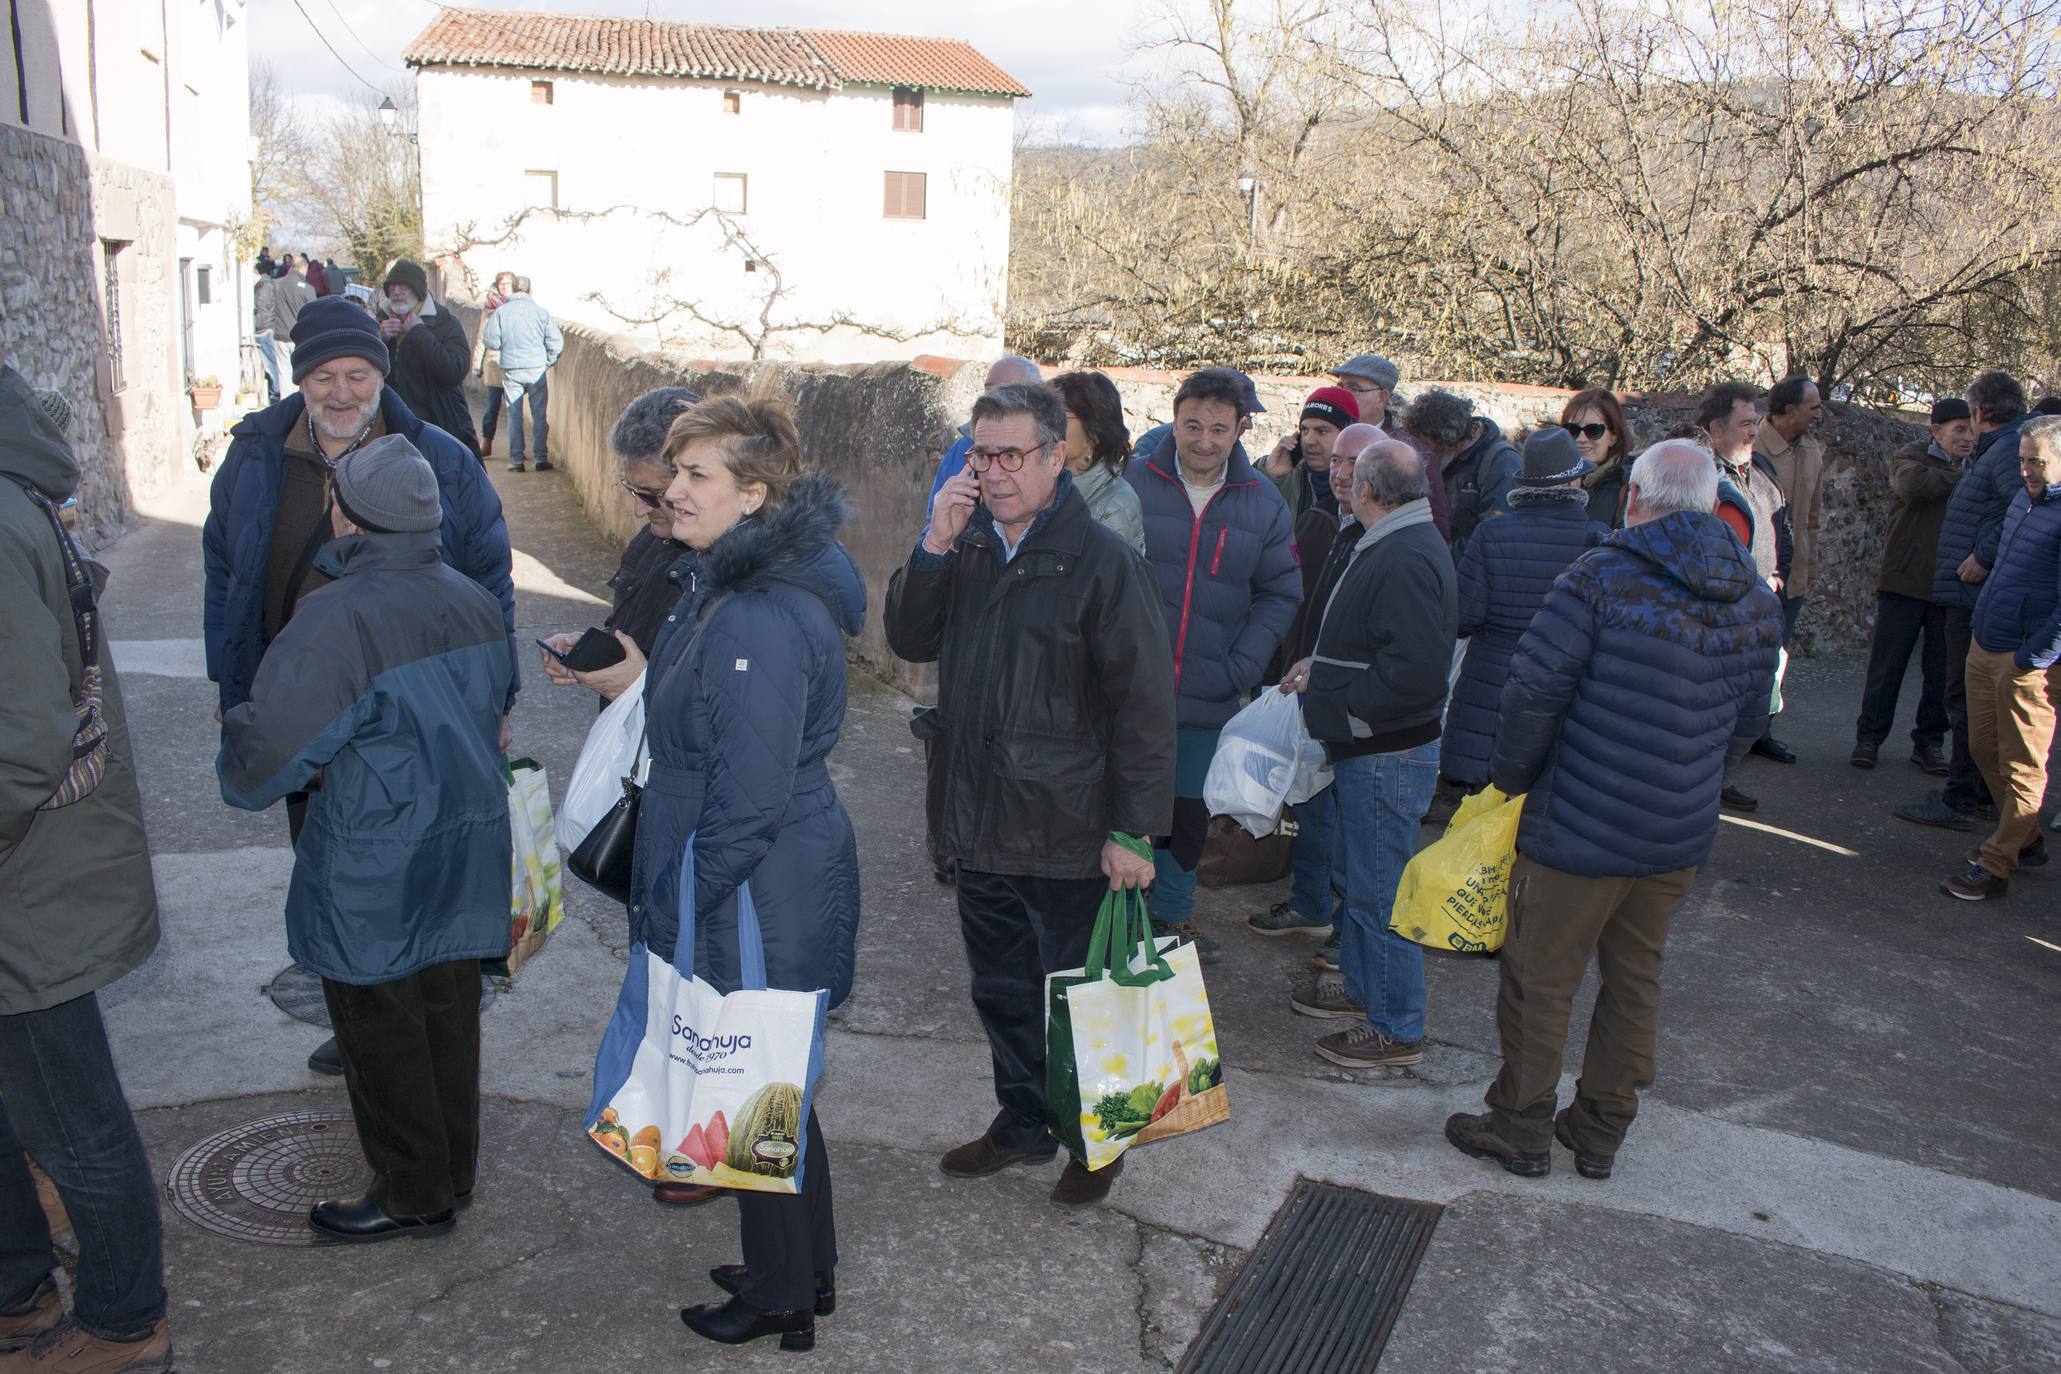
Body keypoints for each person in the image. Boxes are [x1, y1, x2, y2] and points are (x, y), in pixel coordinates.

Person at [1444, 441, 1783, 1179]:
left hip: (1578, 824)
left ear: (1632, 496)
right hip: (1676, 831)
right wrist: (1696, 780)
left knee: (1540, 977)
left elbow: (1531, 692)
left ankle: (1519, 1123)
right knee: (1635, 979)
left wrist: (1510, 781)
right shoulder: (1755, 596)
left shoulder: (1600, 577)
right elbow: (1751, 719)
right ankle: (1599, 1129)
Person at [204, 297, 517, 1076]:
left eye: (356, 374)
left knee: (412, 866)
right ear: (298, 377)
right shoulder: (254, 455)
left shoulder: (437, 456)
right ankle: (362, 1021)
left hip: (410, 703)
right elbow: (225, 574)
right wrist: (232, 684)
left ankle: (415, 1030)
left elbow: (488, 576)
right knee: (328, 864)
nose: (340, 393)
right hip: (300, 703)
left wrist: (497, 700)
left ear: (380, 372)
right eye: (321, 376)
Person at [884, 382, 1174, 1209]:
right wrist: (934, 545)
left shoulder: (1101, 563)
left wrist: (1132, 830)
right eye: (983, 454)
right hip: (977, 818)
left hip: (1069, 829)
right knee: (1000, 990)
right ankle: (1021, 1123)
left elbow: (1145, 706)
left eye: (1012, 454)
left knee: (1079, 1001)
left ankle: (1096, 1138)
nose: (996, 471)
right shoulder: (967, 543)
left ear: (1057, 457)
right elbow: (907, 636)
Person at [217, 437, 512, 1244]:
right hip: (466, 839)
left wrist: (235, 734)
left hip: (375, 850)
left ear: (347, 512)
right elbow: (499, 700)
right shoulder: (472, 598)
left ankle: (410, 1192)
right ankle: (448, 1173)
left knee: (378, 1021)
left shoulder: (337, 617)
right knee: (448, 1011)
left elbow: (268, 755)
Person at [622, 395, 863, 1350]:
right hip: (759, 875)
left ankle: (778, 1297)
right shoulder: (727, 581)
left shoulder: (756, 613)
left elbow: (749, 800)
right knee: (777, 1085)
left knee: (756, 1091)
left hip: (755, 885)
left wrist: (682, 895)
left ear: (753, 495)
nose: (672, 489)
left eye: (696, 476)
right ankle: (804, 1267)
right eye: (674, 471)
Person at [0, 372, 174, 1371]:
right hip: (35, 871)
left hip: (32, 882)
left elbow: (22, 741)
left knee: (72, 1118)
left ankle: (122, 1322)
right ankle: (20, 1289)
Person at [1278, 441, 1456, 1068]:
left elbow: (1415, 674)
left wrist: (1345, 708)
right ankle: (1362, 992)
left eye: (1353, 477)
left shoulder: (1403, 553)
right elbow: (1370, 643)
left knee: (1380, 893)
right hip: (1370, 746)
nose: (1342, 481)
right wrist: (1318, 668)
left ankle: (1395, 1027)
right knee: (1362, 881)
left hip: (1384, 750)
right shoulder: (1386, 539)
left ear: (1371, 491)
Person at [1127, 366, 1301, 962]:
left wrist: (1242, 666)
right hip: (1130, 690)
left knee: (1186, 815)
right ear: (1174, 421)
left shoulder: (1263, 503)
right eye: (1191, 425)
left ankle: (1172, 921)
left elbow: (1281, 592)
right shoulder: (1135, 483)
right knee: (1123, 810)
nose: (1203, 440)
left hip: (1210, 694)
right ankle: (1119, 920)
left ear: (1240, 430)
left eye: (1218, 429)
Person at [1245, 424, 1370, 945]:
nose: (1341, 473)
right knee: (1312, 800)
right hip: (1310, 685)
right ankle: (1314, 903)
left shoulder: (1389, 534)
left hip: (1357, 702)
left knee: (1351, 817)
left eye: (1355, 464)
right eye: (1337, 462)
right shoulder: (1333, 521)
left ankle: (1347, 927)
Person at [1896, 372, 2030, 832]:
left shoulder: (2008, 451)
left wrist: (1983, 556)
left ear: (1978, 413)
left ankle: (1965, 798)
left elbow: (2026, 508)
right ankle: (1976, 795)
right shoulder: (1996, 450)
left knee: (1969, 699)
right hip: (1967, 592)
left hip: (1975, 594)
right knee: (1969, 699)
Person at [1440, 428, 1607, 797]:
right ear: (1576, 480)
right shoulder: (1597, 539)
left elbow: (1463, 616)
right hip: (1564, 684)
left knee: (1484, 815)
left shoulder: (1492, 533)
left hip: (1492, 686)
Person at [1940, 414, 2061, 899]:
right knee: (1981, 748)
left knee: (2022, 767)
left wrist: (2032, 659)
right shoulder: (2026, 499)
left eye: (2037, 462)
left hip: (2024, 660)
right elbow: (2007, 539)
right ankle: (2024, 841)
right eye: (2022, 460)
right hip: (1987, 640)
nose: (2027, 470)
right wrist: (1983, 556)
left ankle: (1997, 864)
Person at [540, 387, 703, 698]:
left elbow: (730, 718)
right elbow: (640, 640)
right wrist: (595, 650)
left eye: (652, 495)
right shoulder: (653, 540)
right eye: (632, 491)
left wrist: (641, 689)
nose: (639, 509)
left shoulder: (748, 580)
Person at [1852, 399, 1973, 771]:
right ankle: (1869, 739)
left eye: (1971, 429)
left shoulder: (1977, 465)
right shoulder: (1912, 455)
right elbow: (1913, 485)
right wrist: (1964, 479)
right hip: (1904, 580)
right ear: (1936, 431)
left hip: (1949, 586)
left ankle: (1929, 743)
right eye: (1959, 430)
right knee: (1887, 668)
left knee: (1941, 674)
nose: (1968, 438)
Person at [1695, 381, 1790, 810]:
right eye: (1745, 423)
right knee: (1710, 711)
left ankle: (1720, 781)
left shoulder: (1761, 474)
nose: (1753, 432)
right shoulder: (1698, 474)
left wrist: (1778, 572)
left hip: (1759, 609)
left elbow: (1778, 527)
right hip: (1717, 613)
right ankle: (1701, 785)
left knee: (1752, 709)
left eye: (1756, 422)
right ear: (1716, 429)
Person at [1753, 375, 1826, 751]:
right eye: (1813, 406)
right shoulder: (1752, 446)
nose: (1819, 413)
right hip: (1759, 573)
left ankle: (1761, 732)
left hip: (1792, 576)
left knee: (1777, 658)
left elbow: (1811, 519)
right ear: (1789, 410)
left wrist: (1806, 570)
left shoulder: (1812, 450)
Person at [1328, 353, 1451, 538]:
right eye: (1340, 387)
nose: (1343, 395)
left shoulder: (1410, 454)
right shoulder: (1328, 437)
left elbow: (1435, 525)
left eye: (1354, 389)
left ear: (1382, 398)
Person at [1401, 388, 1521, 564]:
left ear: (1450, 443)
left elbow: (1497, 533)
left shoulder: (1501, 462)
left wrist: (1438, 556)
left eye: (1426, 446)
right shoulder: (1444, 457)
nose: (1420, 452)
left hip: (1471, 576)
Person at [379, 260, 481, 459]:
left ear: (418, 290)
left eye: (404, 286)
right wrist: (379, 339)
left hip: (441, 426)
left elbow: (455, 371)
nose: (397, 292)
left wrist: (419, 333)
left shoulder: (444, 321)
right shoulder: (380, 322)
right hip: (394, 429)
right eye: (392, 286)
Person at [1051, 369, 1145, 555]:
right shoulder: (1048, 481)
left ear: (1094, 434)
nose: (1046, 425)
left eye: (1059, 417)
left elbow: (1104, 580)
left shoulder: (1116, 506)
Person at [927, 356, 1047, 500]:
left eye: (1010, 393)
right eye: (990, 390)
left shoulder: (1047, 448)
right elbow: (934, 514)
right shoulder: (960, 450)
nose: (995, 399)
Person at [482, 275, 563, 472]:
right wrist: (546, 363)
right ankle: (540, 458)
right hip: (536, 368)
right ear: (530, 291)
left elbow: (491, 341)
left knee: (514, 414)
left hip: (512, 370)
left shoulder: (501, 313)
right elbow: (557, 343)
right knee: (539, 415)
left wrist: (507, 347)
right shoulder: (541, 313)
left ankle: (517, 461)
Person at [1260, 385, 1358, 520]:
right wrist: (1271, 476)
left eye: (1322, 431)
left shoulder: (1368, 482)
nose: (1309, 441)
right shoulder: (1286, 474)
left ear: (1348, 434)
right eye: (1304, 431)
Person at [1561, 388, 1634, 528]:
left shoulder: (1631, 484)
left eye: (1593, 430)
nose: (1581, 439)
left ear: (1614, 436)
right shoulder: (1553, 479)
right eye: (1572, 430)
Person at [476, 271, 516, 460]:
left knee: (514, 408)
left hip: (514, 364)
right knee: (492, 407)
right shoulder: (489, 307)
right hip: (494, 363)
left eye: (508, 284)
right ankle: (487, 441)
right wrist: (477, 365)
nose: (504, 287)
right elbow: (482, 337)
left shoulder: (519, 306)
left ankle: (516, 449)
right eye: (502, 284)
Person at [265, 256, 317, 379]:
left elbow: (269, 307)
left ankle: (286, 397)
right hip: (300, 337)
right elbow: (314, 315)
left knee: (283, 373)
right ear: (304, 268)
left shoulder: (276, 284)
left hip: (280, 334)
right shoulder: (307, 289)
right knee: (301, 373)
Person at [254, 266, 283, 403]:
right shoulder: (267, 285)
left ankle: (276, 391)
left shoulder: (263, 286)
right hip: (266, 327)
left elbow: (262, 308)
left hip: (264, 328)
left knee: (270, 363)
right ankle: (276, 390)